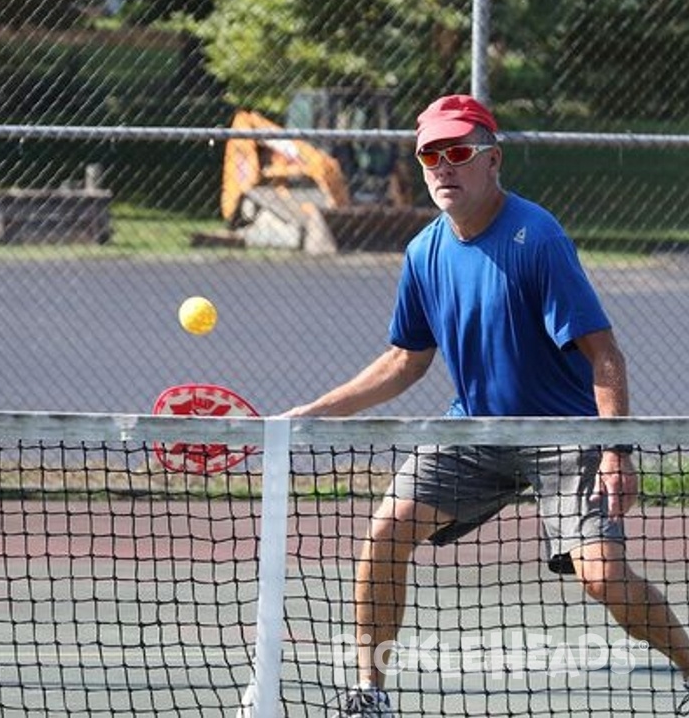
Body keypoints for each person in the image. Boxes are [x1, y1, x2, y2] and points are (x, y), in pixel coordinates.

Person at [283, 94, 689, 717]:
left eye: (458, 153)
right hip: (472, 429)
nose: (444, 166)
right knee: (385, 534)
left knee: (603, 578)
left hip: (566, 435)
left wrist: (616, 449)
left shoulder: (537, 238)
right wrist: (312, 413)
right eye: (430, 155)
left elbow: (605, 354)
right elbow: (404, 361)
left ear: (492, 160)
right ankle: (370, 692)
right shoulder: (424, 253)